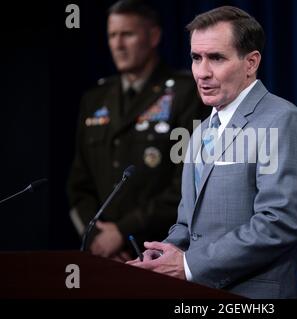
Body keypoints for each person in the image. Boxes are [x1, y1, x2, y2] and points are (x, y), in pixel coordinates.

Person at [127, 6, 297, 299]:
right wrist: (165, 253)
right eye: (196, 58)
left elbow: (278, 223)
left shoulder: (282, 120)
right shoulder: (201, 130)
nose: (202, 72)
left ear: (251, 62)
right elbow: (188, 222)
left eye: (216, 58)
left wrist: (189, 265)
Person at [67, 0, 207, 261]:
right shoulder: (95, 98)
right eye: (112, 35)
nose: (118, 45)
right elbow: (78, 185)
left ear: (153, 36)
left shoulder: (185, 93)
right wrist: (97, 237)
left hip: (162, 251)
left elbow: (188, 184)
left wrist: (122, 231)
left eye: (127, 34)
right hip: (104, 255)